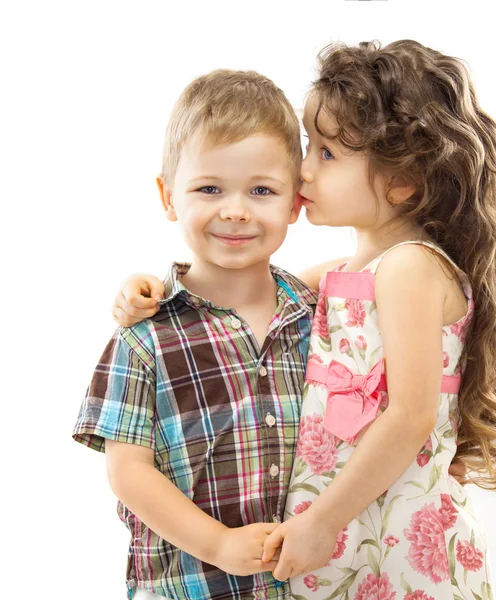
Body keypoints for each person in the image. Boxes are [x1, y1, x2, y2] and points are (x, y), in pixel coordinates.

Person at [114, 40, 496, 600]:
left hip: (395, 542)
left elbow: (411, 416)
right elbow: (242, 289)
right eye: (310, 148)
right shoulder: (344, 274)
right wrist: (145, 292)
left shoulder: (408, 267)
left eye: (328, 154)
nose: (304, 170)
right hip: (353, 540)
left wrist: (322, 523)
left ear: (402, 180)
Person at [72, 69, 318, 600]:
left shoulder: (316, 317)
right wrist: (219, 543)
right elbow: (129, 475)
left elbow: (380, 268)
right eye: (209, 188)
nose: (235, 210)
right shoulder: (144, 338)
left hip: (307, 585)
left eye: (261, 190)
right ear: (168, 197)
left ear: (295, 203)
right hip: (188, 586)